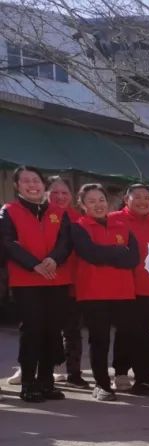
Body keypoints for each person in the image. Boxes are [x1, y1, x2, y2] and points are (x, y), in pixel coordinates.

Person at [0, 166, 73, 403]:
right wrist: (34, 264)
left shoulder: (58, 212)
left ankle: (46, 382)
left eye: (36, 181)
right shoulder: (9, 211)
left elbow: (65, 241)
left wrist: (54, 259)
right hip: (27, 281)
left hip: (56, 278)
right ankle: (29, 383)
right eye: (26, 181)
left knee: (52, 331)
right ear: (17, 186)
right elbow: (8, 243)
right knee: (32, 331)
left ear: (43, 185)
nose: (32, 185)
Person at [69, 184, 141, 401]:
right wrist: (118, 252)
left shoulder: (122, 225)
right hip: (93, 293)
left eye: (101, 199)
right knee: (99, 340)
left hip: (123, 292)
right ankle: (101, 384)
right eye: (91, 201)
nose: (98, 205)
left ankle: (120, 374)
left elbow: (133, 258)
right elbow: (90, 254)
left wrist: (109, 255)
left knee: (127, 335)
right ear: (82, 205)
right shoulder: (79, 227)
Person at [110, 183, 149, 397]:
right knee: (128, 333)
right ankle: (121, 372)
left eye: (147, 197)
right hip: (127, 288)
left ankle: (148, 374)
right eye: (137, 197)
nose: (143, 201)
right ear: (127, 199)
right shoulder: (114, 220)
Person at [46, 176, 88, 389]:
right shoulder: (40, 215)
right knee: (45, 328)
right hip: (45, 281)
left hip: (73, 282)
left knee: (72, 330)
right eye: (55, 192)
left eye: (65, 193)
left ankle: (74, 372)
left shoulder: (78, 219)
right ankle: (43, 370)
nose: (60, 197)